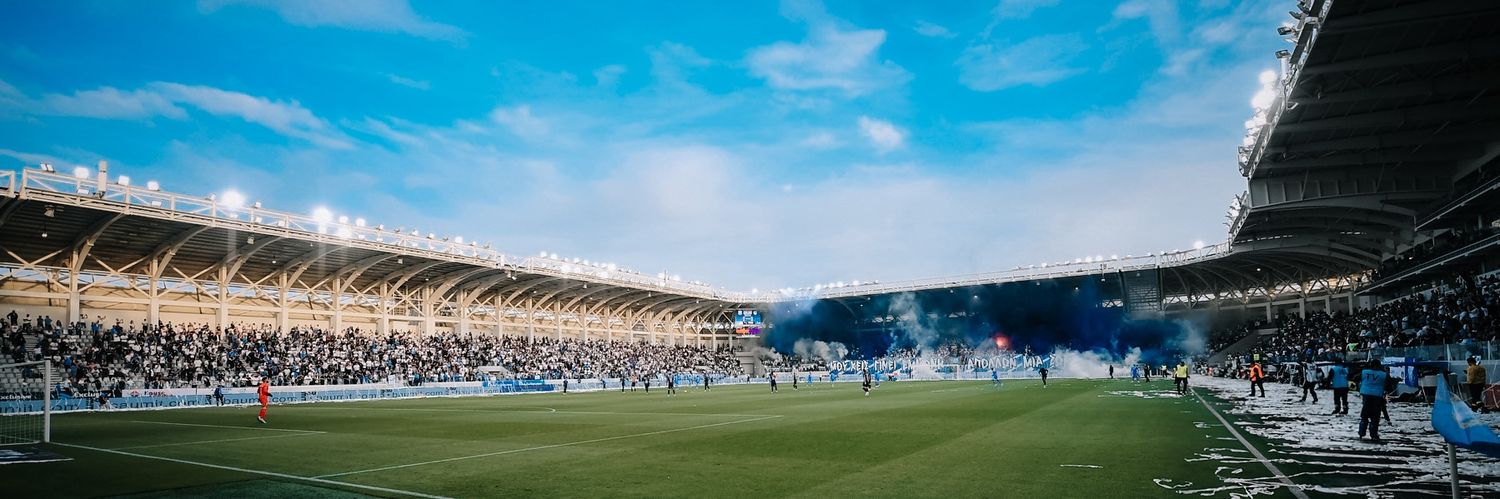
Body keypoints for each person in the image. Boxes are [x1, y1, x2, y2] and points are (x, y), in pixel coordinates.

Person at [1357, 361, 1387, 442]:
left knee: (1364, 416)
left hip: (1366, 395)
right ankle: (1374, 435)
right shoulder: (1383, 374)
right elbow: (1389, 384)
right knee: (1375, 417)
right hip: (1377, 396)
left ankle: (1361, 433)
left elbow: (1355, 378)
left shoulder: (1364, 372)